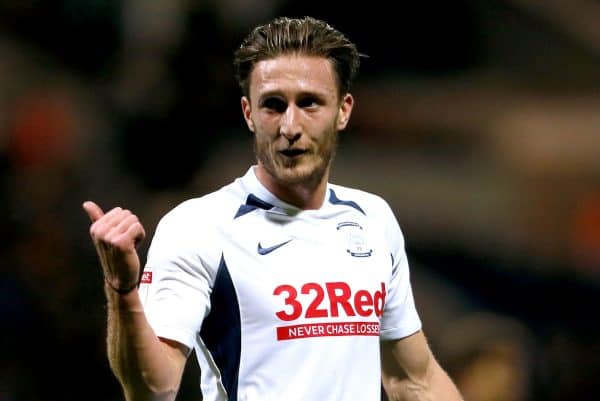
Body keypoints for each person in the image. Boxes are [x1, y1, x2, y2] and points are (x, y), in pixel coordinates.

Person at [83, 16, 463, 401]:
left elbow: (414, 380)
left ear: (344, 110)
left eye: (310, 103)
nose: (290, 126)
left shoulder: (372, 219)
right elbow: (152, 390)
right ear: (249, 113)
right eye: (274, 105)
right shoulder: (198, 227)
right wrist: (123, 289)